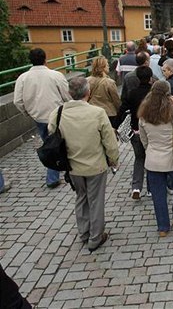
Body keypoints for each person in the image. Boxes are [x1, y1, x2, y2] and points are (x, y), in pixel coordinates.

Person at [48, 77, 119, 252]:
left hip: (72, 166)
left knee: (81, 198)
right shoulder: (97, 112)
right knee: (96, 200)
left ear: (69, 93)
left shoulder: (57, 113)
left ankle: (84, 232)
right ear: (88, 93)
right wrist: (113, 158)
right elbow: (109, 141)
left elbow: (52, 133)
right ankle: (96, 237)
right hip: (95, 164)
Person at [138, 80, 173, 237]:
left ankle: (163, 227)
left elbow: (144, 139)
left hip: (153, 160)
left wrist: (150, 151)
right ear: (168, 95)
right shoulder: (171, 114)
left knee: (158, 195)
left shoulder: (143, 115)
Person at [13, 48, 72, 189]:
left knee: (48, 142)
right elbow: (67, 96)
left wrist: (28, 112)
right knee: (58, 143)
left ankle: (57, 169)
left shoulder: (23, 78)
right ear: (45, 59)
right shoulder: (56, 75)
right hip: (56, 115)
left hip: (38, 117)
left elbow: (17, 101)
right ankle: (55, 175)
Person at [117, 66, 153, 200]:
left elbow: (122, 109)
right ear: (150, 78)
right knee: (150, 158)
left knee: (139, 158)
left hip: (136, 130)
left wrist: (116, 124)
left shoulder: (132, 93)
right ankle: (151, 189)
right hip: (151, 131)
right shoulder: (153, 93)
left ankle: (136, 187)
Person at [87, 57, 121, 128]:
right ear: (103, 68)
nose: (108, 67)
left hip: (92, 112)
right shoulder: (109, 82)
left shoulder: (87, 81)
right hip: (108, 113)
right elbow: (116, 100)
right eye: (107, 65)